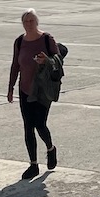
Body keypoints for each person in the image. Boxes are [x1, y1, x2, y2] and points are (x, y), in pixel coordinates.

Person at [7, 9, 66, 180]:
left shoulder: (47, 39)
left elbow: (58, 60)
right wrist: (10, 88)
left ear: (37, 22)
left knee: (40, 124)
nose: (29, 24)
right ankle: (33, 164)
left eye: (32, 21)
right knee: (28, 126)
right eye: (26, 21)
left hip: (43, 90)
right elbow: (15, 65)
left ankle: (50, 148)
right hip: (25, 89)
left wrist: (46, 60)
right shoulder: (19, 41)